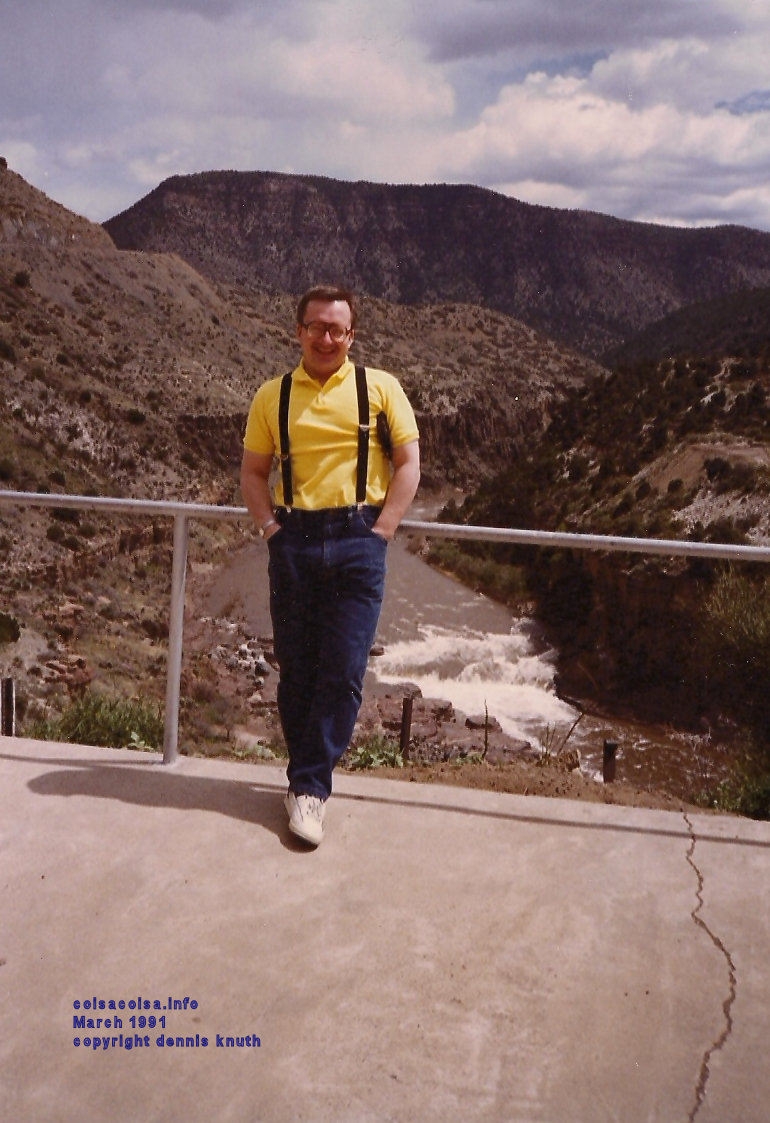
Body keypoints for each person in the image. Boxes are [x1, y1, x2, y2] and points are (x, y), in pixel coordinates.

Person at [240, 285, 420, 846]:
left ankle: (310, 787)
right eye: (315, 326)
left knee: (343, 672)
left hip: (357, 540)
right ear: (298, 331)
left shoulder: (381, 388)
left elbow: (409, 462)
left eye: (336, 329)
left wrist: (383, 529)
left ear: (351, 336)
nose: (325, 337)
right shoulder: (273, 395)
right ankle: (306, 784)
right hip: (294, 539)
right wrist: (271, 529)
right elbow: (252, 473)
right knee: (297, 669)